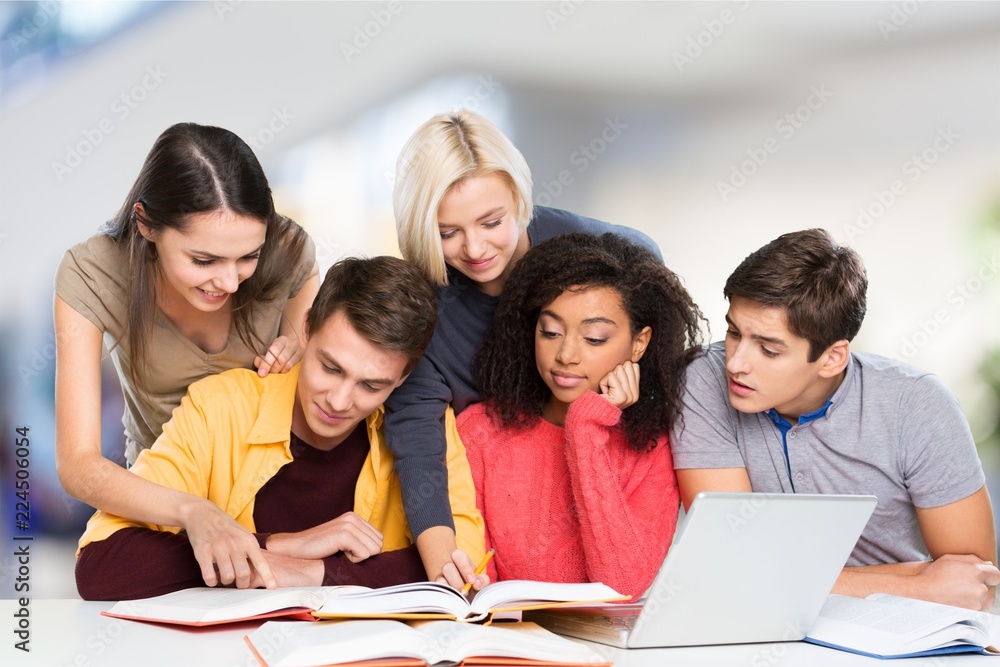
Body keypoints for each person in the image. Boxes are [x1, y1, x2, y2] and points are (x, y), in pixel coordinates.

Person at [75, 256, 487, 601]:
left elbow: (460, 569)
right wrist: (278, 546)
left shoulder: (425, 426)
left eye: (371, 385)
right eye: (331, 367)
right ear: (306, 329)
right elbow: (102, 566)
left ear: (403, 377)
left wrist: (310, 573)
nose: (340, 401)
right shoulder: (219, 406)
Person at [385, 109, 664, 586]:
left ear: (518, 197)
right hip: (497, 506)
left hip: (605, 481)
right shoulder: (428, 312)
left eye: (492, 221)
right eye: (447, 233)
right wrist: (441, 555)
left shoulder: (596, 249)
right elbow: (416, 438)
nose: (474, 248)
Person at [671, 228, 1000, 611]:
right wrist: (918, 584)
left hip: (900, 628)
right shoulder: (702, 379)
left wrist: (779, 580)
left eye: (768, 349)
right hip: (762, 624)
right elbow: (734, 564)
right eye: (733, 332)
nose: (735, 363)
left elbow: (976, 583)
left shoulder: (917, 405)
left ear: (831, 358)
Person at [55, 123, 319, 590]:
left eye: (248, 257)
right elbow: (78, 464)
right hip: (167, 503)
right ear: (145, 224)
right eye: (204, 261)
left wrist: (300, 342)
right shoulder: (92, 273)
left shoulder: (288, 250)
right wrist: (194, 512)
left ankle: (272, 549)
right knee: (107, 571)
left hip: (276, 490)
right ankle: (272, 552)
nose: (232, 282)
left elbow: (321, 357)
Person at [455, 232, 703, 599]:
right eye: (550, 332)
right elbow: (476, 588)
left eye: (595, 338)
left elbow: (622, 586)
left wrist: (586, 428)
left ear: (639, 342)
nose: (566, 354)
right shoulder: (480, 431)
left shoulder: (654, 446)